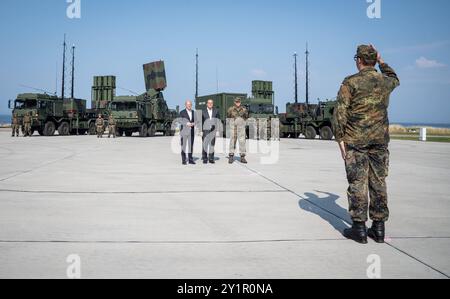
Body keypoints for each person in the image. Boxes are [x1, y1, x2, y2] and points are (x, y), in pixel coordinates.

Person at [333, 45, 400, 244]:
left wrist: (340, 139)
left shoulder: (351, 82)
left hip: (356, 141)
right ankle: (379, 228)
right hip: (380, 141)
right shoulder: (385, 81)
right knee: (379, 183)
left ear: (359, 60)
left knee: (357, 183)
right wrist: (382, 61)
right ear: (373, 59)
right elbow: (395, 77)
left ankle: (359, 229)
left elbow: (340, 113)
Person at [228, 98, 248, 164]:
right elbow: (228, 116)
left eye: (239, 102)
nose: (238, 103)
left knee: (242, 140)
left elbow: (246, 117)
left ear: (240, 102)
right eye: (236, 102)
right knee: (232, 140)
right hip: (233, 126)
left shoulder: (244, 109)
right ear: (234, 102)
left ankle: (242, 157)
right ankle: (231, 155)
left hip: (241, 126)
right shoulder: (231, 109)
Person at [202, 99, 220, 164]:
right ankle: (204, 158)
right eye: (209, 103)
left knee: (212, 145)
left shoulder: (216, 111)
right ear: (207, 104)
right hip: (205, 131)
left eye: (211, 103)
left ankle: (211, 158)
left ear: (212, 104)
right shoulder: (203, 111)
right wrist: (200, 131)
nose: (210, 104)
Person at [179, 100, 196, 165]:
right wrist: (186, 123)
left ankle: (190, 159)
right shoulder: (182, 112)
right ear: (185, 105)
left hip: (191, 131)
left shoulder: (193, 112)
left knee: (190, 146)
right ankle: (184, 160)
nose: (189, 105)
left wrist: (194, 123)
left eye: (190, 104)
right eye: (188, 104)